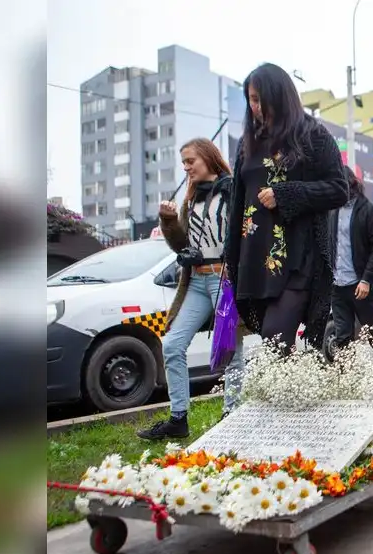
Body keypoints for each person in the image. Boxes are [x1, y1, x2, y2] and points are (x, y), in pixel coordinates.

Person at [224, 63, 349, 353]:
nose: (254, 107)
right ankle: (298, 394)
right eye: (251, 100)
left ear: (279, 95)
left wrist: (285, 194)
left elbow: (338, 189)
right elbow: (237, 203)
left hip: (298, 257)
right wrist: (231, 257)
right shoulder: (248, 143)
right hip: (255, 259)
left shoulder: (313, 135)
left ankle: (291, 393)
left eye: (259, 99)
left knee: (275, 338)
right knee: (275, 346)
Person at [137, 138, 244, 439]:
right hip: (196, 282)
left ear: (208, 158)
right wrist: (169, 220)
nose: (186, 168)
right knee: (171, 345)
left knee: (230, 349)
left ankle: (232, 414)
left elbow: (246, 235)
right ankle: (178, 418)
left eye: (190, 161)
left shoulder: (232, 191)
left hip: (225, 279)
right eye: (183, 162)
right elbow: (181, 244)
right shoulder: (191, 198)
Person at [329, 165, 373, 358]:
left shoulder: (367, 209)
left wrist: (366, 279)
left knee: (372, 332)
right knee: (342, 336)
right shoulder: (332, 211)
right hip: (337, 285)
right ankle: (348, 381)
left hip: (360, 285)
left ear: (349, 182)